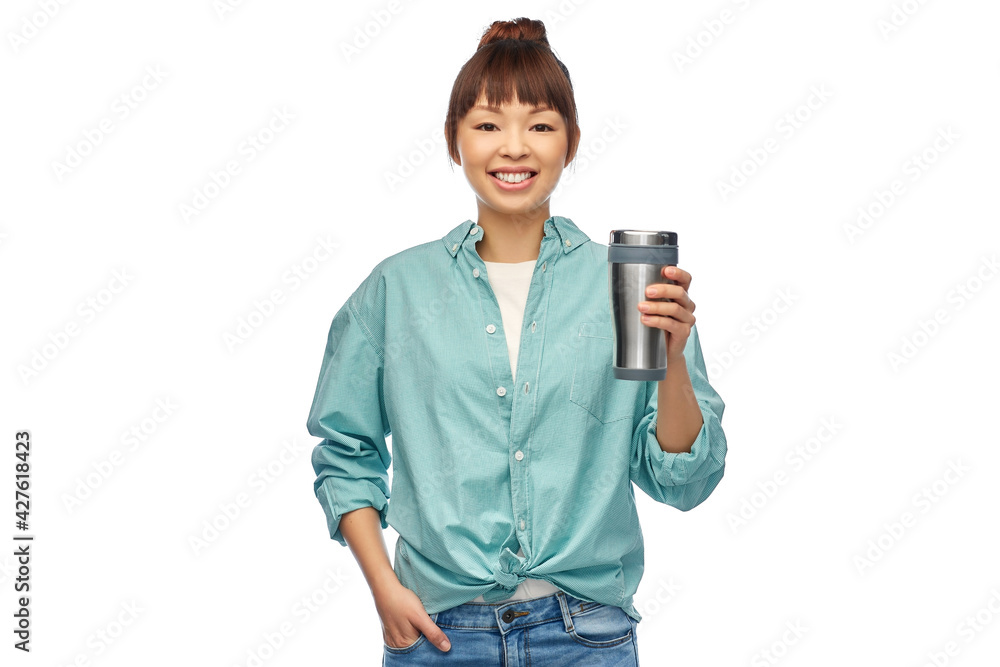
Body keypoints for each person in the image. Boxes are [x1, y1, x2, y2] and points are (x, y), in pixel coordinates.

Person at [306, 16, 728, 665]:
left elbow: (683, 481)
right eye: (487, 124)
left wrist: (672, 360)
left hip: (587, 636)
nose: (514, 147)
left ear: (571, 139)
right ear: (454, 140)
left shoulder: (623, 283)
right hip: (437, 633)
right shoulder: (397, 289)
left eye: (538, 124)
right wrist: (384, 588)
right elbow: (346, 450)